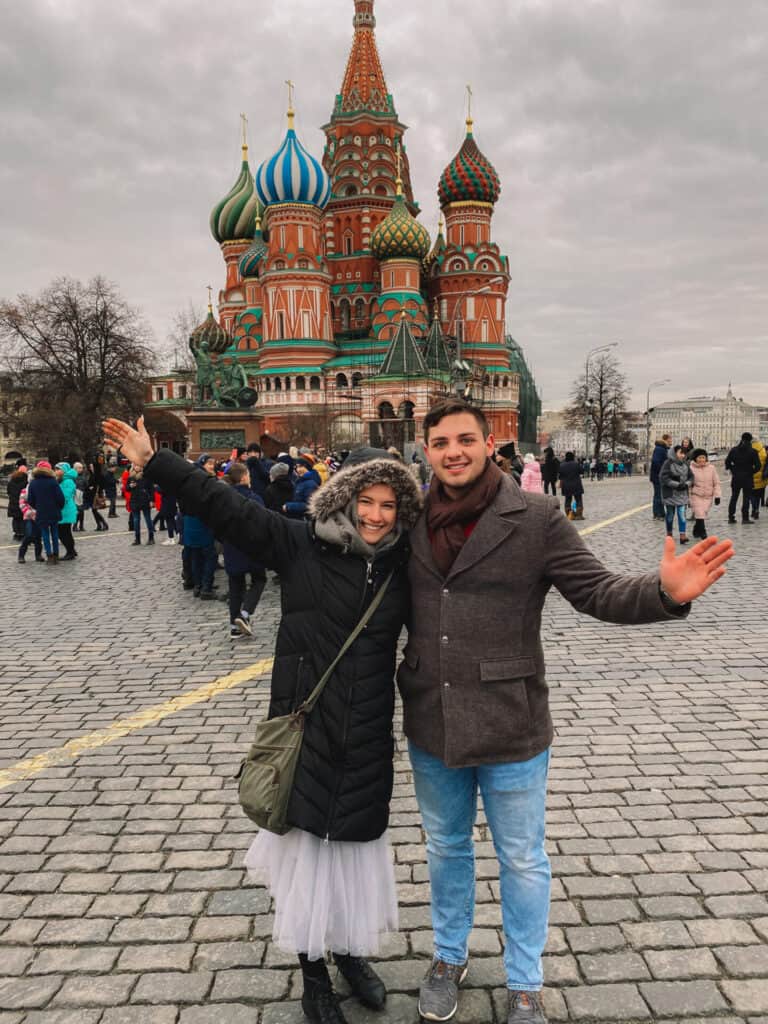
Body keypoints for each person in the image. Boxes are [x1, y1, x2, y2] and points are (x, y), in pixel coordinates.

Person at [396, 398, 732, 1024]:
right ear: (427, 449)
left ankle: (524, 982)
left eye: (465, 439)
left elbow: (595, 590)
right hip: (431, 714)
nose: (454, 452)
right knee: (445, 847)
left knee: (522, 856)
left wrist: (663, 592)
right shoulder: (410, 516)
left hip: (512, 715)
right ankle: (448, 956)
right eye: (441, 443)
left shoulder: (536, 515)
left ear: (488, 439)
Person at [101, 416, 423, 1024]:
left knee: (354, 852)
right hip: (304, 728)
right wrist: (156, 460)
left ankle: (351, 952)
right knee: (307, 856)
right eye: (366, 501)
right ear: (344, 498)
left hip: (367, 733)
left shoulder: (404, 563)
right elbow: (226, 508)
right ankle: (312, 973)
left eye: (388, 505)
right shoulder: (299, 543)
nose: (376, 516)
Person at [222, 463, 267, 638]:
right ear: (243, 478)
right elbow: (263, 523)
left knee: (235, 586)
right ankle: (245, 613)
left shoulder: (224, 498)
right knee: (259, 579)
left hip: (232, 547)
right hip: (253, 546)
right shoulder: (254, 498)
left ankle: (234, 625)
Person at [182, 454, 218, 598]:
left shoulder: (188, 480)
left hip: (189, 521)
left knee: (196, 555)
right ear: (203, 464)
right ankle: (206, 588)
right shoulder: (205, 481)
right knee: (210, 556)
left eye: (213, 463)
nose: (212, 466)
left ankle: (199, 585)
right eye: (209, 464)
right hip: (202, 521)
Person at [27, 460, 65, 563]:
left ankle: (49, 555)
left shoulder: (33, 483)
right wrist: (58, 507)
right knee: (55, 533)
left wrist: (38, 506)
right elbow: (60, 498)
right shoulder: (53, 481)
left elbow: (30, 500)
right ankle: (56, 555)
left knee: (45, 534)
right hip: (53, 510)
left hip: (41, 511)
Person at [725, 432, 761, 525]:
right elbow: (758, 466)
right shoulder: (753, 451)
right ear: (750, 440)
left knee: (734, 497)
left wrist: (733, 470)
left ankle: (731, 517)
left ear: (741, 439)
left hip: (736, 477)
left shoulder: (734, 450)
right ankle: (745, 518)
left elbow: (727, 462)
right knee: (746, 498)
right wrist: (751, 472)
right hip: (748, 478)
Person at [659, 444, 692, 544]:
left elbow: (691, 477)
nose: (683, 455)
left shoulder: (686, 464)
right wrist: (676, 484)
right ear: (675, 453)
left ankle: (682, 535)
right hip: (670, 494)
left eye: (684, 453)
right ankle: (669, 534)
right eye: (680, 453)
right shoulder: (668, 463)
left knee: (682, 515)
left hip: (682, 494)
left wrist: (687, 484)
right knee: (670, 515)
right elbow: (663, 477)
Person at [689, 449, 721, 540]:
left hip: (708, 496)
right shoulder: (691, 468)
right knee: (699, 513)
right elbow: (688, 485)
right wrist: (687, 499)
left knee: (702, 514)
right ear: (695, 458)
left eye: (703, 457)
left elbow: (716, 483)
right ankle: (703, 532)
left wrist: (717, 496)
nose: (701, 459)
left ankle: (696, 529)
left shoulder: (712, 468)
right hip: (696, 495)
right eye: (699, 457)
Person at [17, 475, 44, 564]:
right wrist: (29, 513)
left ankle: (38, 555)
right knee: (28, 535)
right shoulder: (24, 491)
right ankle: (21, 555)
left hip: (39, 516)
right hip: (29, 516)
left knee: (38, 537)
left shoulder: (41, 490)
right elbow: (22, 504)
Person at [55, 462, 79, 560]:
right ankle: (71, 550)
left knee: (64, 533)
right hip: (63, 509)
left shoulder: (68, 481)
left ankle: (70, 552)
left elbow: (65, 496)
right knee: (64, 532)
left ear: (64, 470)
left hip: (66, 510)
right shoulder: (61, 480)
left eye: (58, 469)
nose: (56, 471)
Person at [125, 467, 155, 545]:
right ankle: (137, 539)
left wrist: (152, 500)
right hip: (134, 501)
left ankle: (151, 538)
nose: (137, 467)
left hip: (145, 500)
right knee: (136, 520)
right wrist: (130, 486)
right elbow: (126, 488)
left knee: (148, 519)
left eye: (139, 466)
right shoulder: (131, 476)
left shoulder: (146, 476)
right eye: (136, 466)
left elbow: (151, 489)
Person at [650, 434, 672, 520]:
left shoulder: (663, 449)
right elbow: (656, 461)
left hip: (659, 476)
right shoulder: (660, 449)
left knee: (660, 495)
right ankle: (657, 514)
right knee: (658, 495)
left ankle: (661, 513)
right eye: (670, 440)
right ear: (666, 440)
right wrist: (663, 471)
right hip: (658, 476)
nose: (671, 442)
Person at [557, 451, 584, 520]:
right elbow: (582, 471)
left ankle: (569, 515)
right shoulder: (576, 464)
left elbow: (560, 476)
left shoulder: (562, 465)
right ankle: (579, 515)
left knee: (568, 500)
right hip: (576, 484)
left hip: (566, 485)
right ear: (573, 457)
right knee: (578, 500)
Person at [6, 463, 27, 540]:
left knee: (15, 519)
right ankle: (22, 533)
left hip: (13, 502)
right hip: (22, 502)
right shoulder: (25, 481)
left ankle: (16, 533)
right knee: (22, 519)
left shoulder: (11, 481)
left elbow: (8, 492)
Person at [749, 437, 766, 520]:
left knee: (751, 495)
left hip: (750, 476)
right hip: (761, 477)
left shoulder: (749, 450)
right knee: (758, 495)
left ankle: (754, 509)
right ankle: (757, 509)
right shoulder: (762, 450)